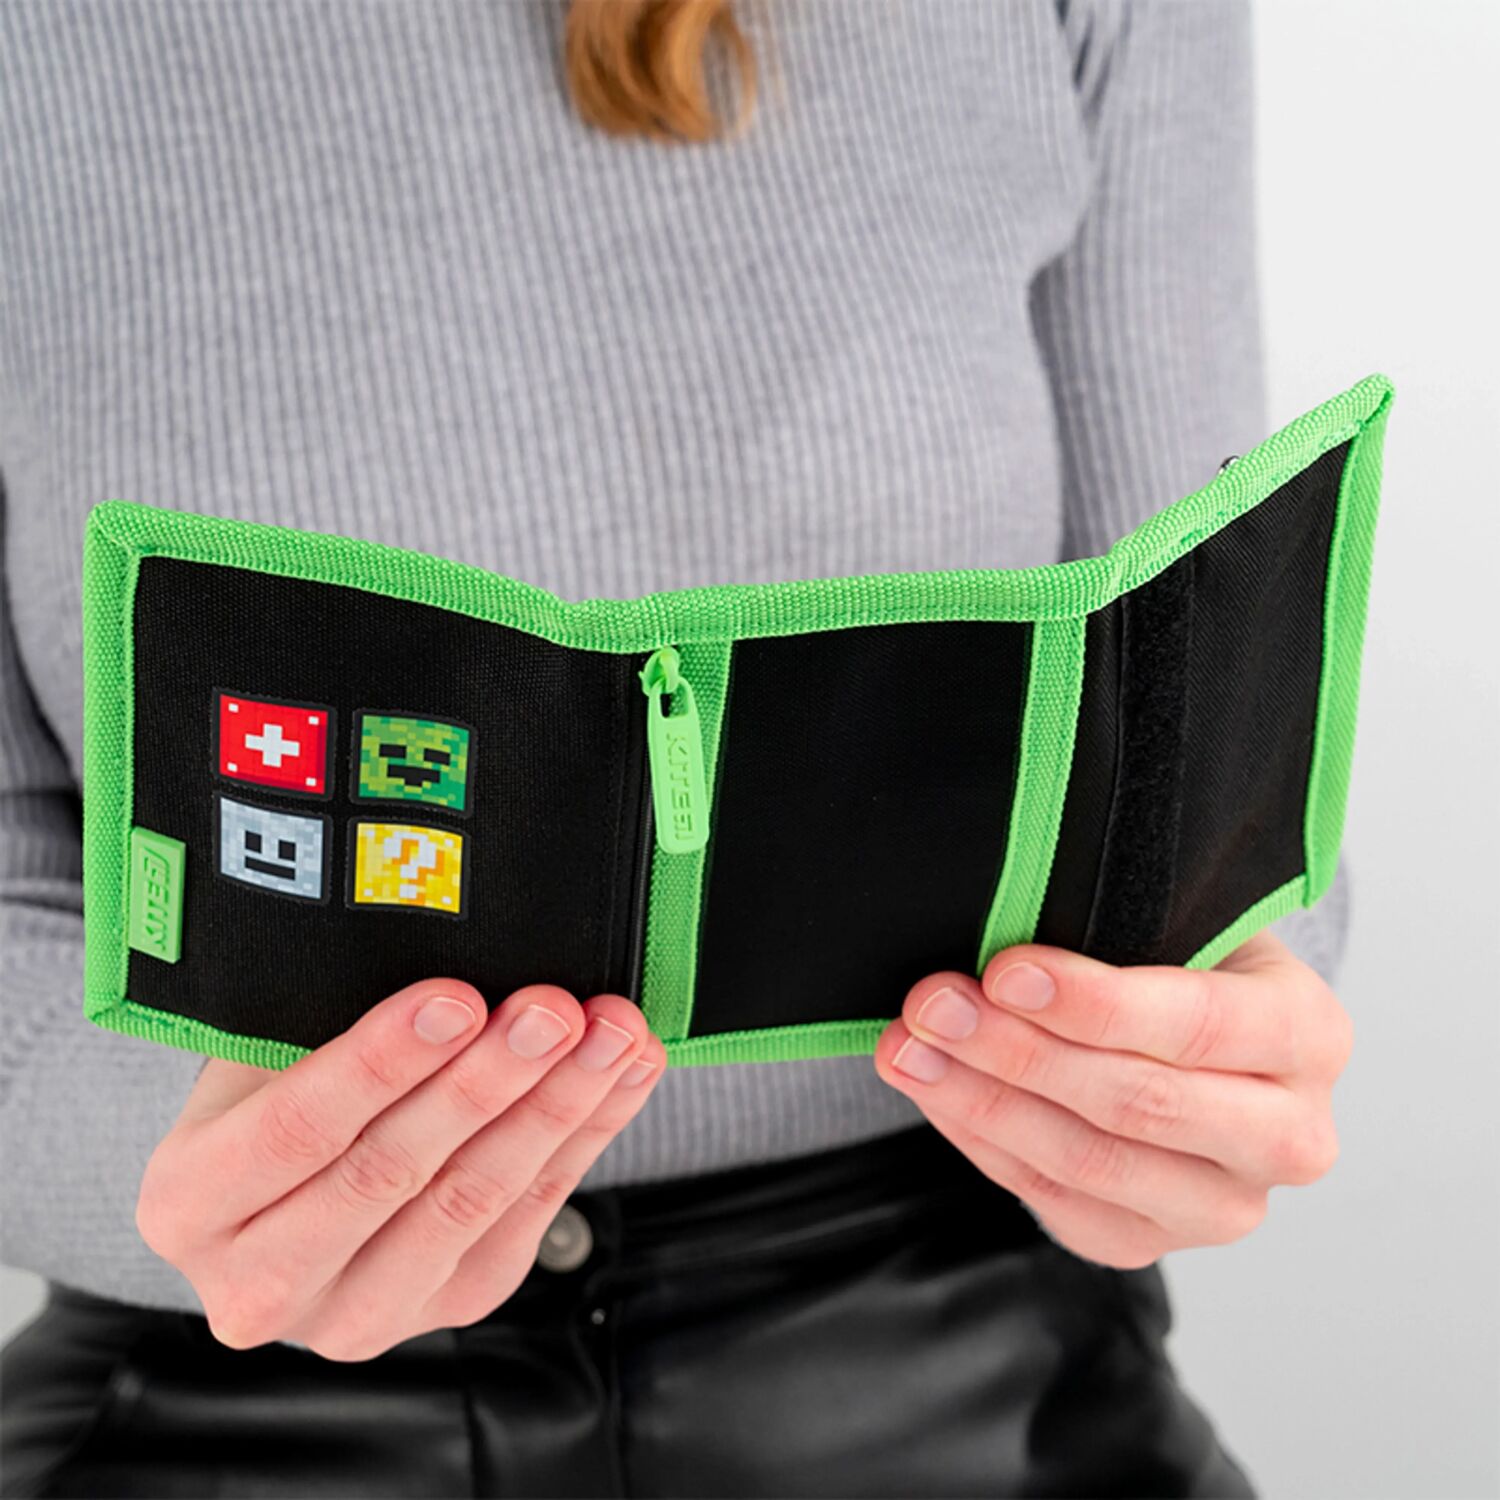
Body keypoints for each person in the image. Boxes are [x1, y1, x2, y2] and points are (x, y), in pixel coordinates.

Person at [0, 2, 1355, 1495]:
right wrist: (192, 1187)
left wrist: (1204, 1042)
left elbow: (1208, 712)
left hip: (967, 1348)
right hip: (215, 1393)